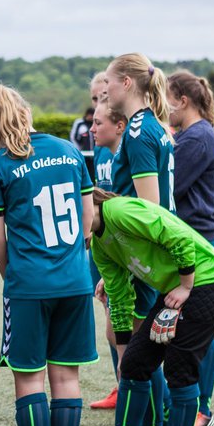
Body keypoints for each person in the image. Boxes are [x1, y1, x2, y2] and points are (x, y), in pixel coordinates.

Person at [0, 85, 96, 426]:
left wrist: (12, 274)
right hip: (75, 283)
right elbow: (88, 220)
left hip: (29, 284)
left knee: (29, 379)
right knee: (66, 378)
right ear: (26, 112)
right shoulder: (68, 150)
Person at [76, 190, 214, 426]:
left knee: (179, 369)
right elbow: (120, 298)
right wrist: (123, 352)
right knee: (135, 363)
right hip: (176, 290)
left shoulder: (120, 211)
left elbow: (179, 236)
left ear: (88, 202)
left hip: (207, 281)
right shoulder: (98, 248)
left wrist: (186, 286)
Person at [95, 53, 175, 426]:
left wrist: (126, 266)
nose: (103, 88)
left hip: (146, 260)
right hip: (140, 259)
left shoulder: (141, 131)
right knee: (124, 341)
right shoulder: (150, 127)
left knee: (137, 351)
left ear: (126, 82)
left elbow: (150, 210)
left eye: (108, 80)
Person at [167, 70, 214, 426]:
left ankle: (202, 407)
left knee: (200, 329)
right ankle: (196, 403)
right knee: (195, 327)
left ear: (183, 100)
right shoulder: (195, 135)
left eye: (167, 99)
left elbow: (169, 186)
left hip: (197, 241)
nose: (164, 108)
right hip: (193, 240)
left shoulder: (197, 138)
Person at [87, 97, 127, 410]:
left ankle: (151, 421)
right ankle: (122, 390)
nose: (92, 126)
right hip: (108, 247)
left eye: (99, 119)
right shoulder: (102, 149)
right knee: (114, 330)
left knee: (130, 340)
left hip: (125, 251)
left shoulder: (132, 147)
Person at [69, 105, 96, 176]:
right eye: (89, 115)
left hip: (95, 154)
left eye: (92, 115)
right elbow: (73, 137)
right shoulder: (79, 123)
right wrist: (77, 151)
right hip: (83, 154)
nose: (90, 117)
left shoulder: (95, 123)